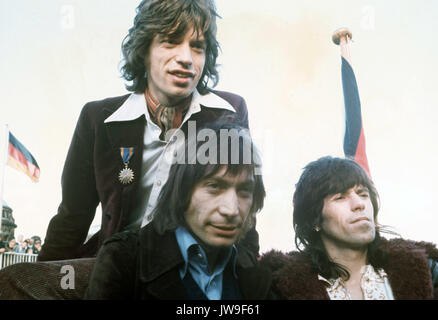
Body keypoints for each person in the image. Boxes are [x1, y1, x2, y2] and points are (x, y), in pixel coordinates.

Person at [39, 0, 255, 262]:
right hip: (114, 269)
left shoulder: (227, 112)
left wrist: (247, 278)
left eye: (197, 47)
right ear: (144, 49)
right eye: (171, 41)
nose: (186, 58)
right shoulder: (98, 119)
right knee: (13, 281)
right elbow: (73, 217)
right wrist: (46, 279)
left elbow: (242, 206)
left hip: (189, 272)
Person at [84, 123, 271, 299]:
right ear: (183, 190)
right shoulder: (124, 259)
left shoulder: (254, 272)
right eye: (214, 186)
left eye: (245, 190)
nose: (231, 209)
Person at [261, 156, 438, 299]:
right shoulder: (282, 289)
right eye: (340, 197)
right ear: (314, 220)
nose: (359, 204)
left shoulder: (425, 271)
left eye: (363, 194)